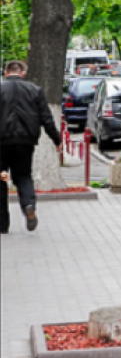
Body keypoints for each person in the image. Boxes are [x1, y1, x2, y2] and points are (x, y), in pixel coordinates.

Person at [0, 60, 62, 234]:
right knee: (24, 176)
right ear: (23, 73)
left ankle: (2, 224)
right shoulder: (35, 91)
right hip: (25, 142)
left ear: (6, 73)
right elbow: (46, 119)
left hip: (2, 142)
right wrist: (57, 140)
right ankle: (29, 204)